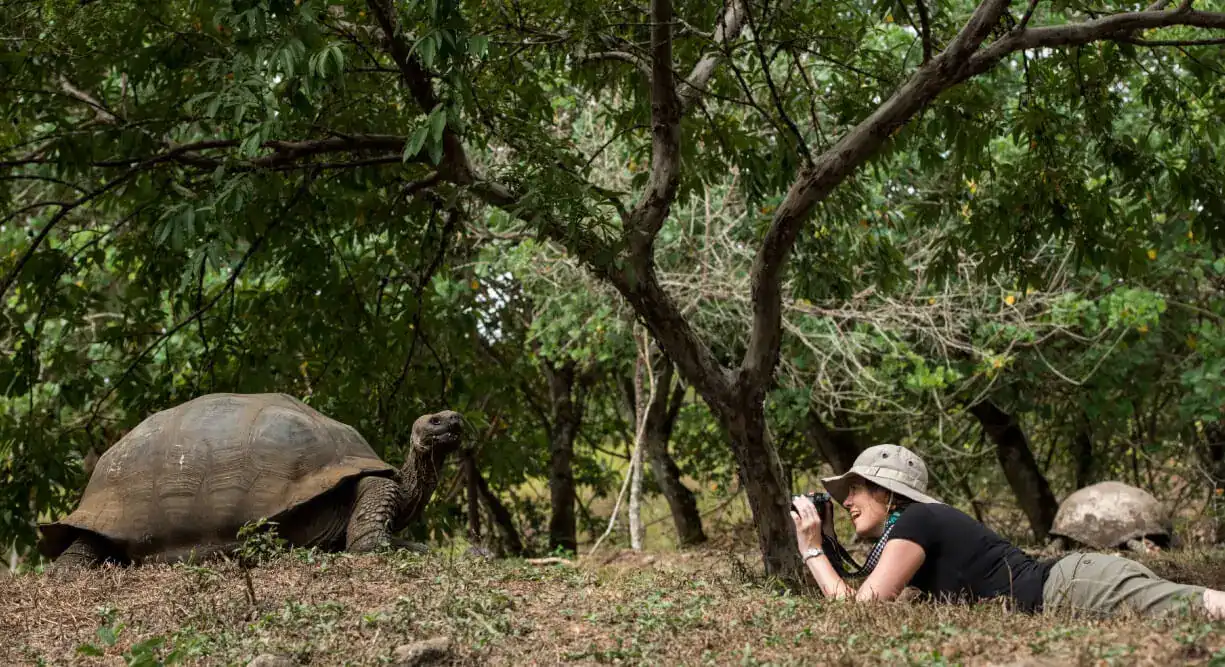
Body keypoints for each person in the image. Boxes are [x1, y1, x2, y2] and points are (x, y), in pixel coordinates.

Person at [790, 443, 1225, 618]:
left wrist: (813, 550)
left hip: (1075, 587)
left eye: (856, 488)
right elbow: (889, 608)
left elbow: (860, 610)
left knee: (1202, 607)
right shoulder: (917, 530)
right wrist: (828, 543)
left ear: (887, 492)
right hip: (1076, 583)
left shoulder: (920, 519)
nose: (846, 501)